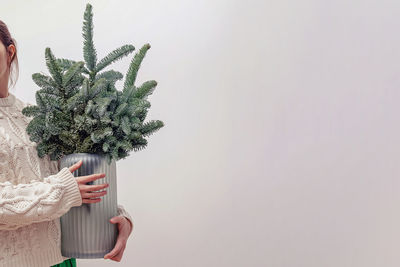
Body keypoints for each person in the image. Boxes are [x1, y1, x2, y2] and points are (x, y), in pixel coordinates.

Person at [0, 20, 134, 266]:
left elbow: (73, 179)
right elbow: (65, 189)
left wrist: (118, 219)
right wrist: (61, 191)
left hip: (61, 260)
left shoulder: (35, 115)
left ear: (9, 52)